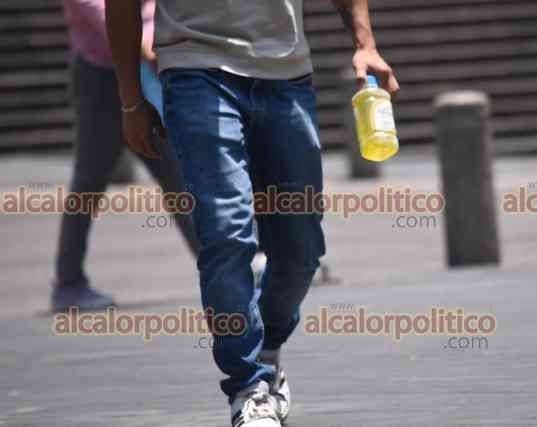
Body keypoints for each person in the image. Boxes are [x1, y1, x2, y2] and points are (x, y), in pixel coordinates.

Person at [105, 0, 399, 425]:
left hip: (286, 75)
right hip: (195, 69)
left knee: (301, 251)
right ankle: (248, 386)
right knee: (227, 233)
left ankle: (266, 349)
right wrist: (131, 100)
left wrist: (365, 43)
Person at [52, 0, 200, 312]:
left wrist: (156, 37)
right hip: (101, 76)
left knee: (175, 172)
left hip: (144, 70)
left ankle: (220, 266)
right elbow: (99, 9)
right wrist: (143, 40)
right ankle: (68, 284)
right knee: (89, 181)